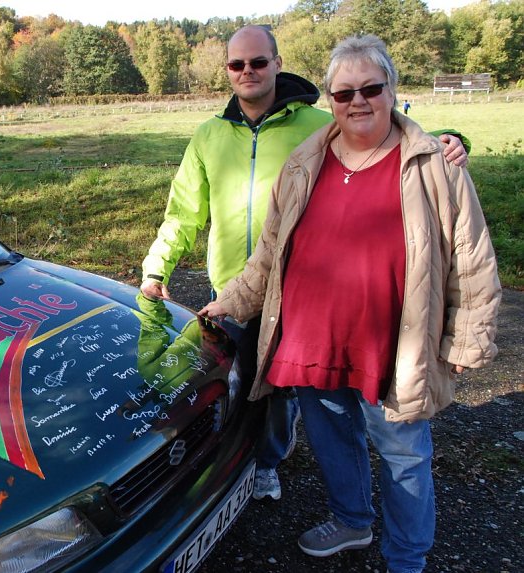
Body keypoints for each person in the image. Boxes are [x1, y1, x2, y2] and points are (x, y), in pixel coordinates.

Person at [199, 34, 500, 573]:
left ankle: (407, 555)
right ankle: (352, 520)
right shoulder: (303, 163)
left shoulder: (433, 164)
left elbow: (471, 258)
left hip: (393, 346)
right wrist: (232, 300)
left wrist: (467, 338)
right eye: (344, 93)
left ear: (391, 91)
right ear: (330, 101)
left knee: (405, 454)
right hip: (312, 340)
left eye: (370, 88)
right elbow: (270, 250)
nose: (357, 101)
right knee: (333, 440)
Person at [139, 25, 469, 502]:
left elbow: (386, 134)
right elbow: (184, 212)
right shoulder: (209, 136)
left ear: (277, 63)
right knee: (228, 385)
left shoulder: (318, 122)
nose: (248, 71)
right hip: (233, 288)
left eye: (258, 62)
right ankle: (229, 463)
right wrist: (156, 269)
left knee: (279, 395)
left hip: (300, 291)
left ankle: (269, 462)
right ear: (228, 73)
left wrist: (450, 141)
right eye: (237, 65)